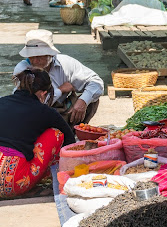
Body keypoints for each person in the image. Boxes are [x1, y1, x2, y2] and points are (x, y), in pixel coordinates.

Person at [0, 68, 75, 199]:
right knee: (55, 134)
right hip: (11, 182)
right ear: (42, 93)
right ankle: (50, 179)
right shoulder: (45, 111)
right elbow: (70, 141)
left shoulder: (2, 101)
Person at [13, 30, 104, 126]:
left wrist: (83, 101)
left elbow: (96, 83)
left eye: (39, 56)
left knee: (91, 98)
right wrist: (60, 90)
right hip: (35, 116)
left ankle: (74, 132)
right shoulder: (23, 69)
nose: (35, 61)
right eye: (31, 56)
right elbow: (33, 105)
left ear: (51, 54)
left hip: (60, 111)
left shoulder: (65, 63)